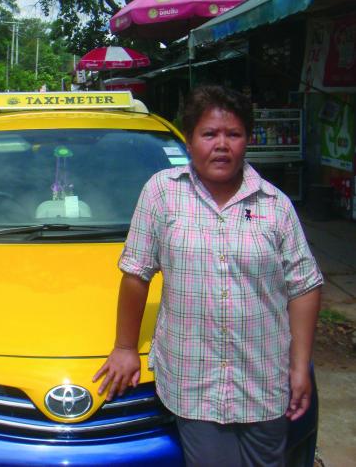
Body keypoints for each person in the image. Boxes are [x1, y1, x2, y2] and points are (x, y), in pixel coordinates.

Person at [92, 85, 322, 467]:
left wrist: (299, 367)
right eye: (209, 134)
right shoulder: (162, 195)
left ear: (247, 140)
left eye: (233, 134)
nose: (221, 145)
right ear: (189, 140)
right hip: (194, 383)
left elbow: (305, 286)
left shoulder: (275, 205)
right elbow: (136, 273)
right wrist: (125, 347)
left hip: (264, 381)